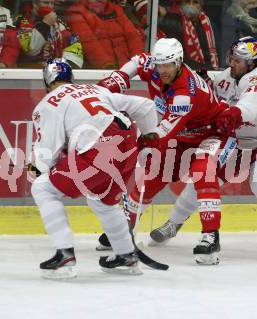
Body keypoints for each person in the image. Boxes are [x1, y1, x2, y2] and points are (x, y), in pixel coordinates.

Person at [98, 38, 231, 265]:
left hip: (213, 133)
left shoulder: (185, 93)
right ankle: (122, 229)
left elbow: (162, 132)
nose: (163, 70)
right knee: (152, 175)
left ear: (179, 61)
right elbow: (138, 60)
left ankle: (211, 236)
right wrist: (118, 78)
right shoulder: (156, 67)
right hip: (183, 134)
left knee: (202, 171)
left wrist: (140, 143)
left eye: (168, 65)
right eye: (159, 65)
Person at [149, 36, 257, 248]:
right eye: (231, 58)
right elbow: (212, 100)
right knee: (204, 178)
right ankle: (173, 223)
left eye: (238, 61)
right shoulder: (227, 76)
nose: (232, 63)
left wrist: (232, 113)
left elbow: (248, 107)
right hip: (236, 140)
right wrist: (205, 85)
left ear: (252, 63)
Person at [30, 58, 159, 279]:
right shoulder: (94, 90)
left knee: (43, 188)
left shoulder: (48, 103)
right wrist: (149, 137)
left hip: (100, 150)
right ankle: (125, 256)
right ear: (71, 78)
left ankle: (64, 256)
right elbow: (146, 106)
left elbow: (46, 154)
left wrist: (34, 169)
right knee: (102, 201)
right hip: (128, 146)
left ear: (47, 82)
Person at [65, 0, 144, 69]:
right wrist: (107, 67)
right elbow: (89, 45)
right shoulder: (76, 12)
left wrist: (136, 63)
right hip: (100, 73)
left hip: (129, 70)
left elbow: (133, 38)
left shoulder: (117, 10)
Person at [15, 0, 83, 68]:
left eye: (52, 3)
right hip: (29, 73)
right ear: (34, 4)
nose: (50, 6)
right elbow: (31, 51)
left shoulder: (57, 23)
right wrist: (45, 25)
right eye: (46, 3)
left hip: (55, 72)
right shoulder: (22, 21)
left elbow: (73, 43)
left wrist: (65, 66)